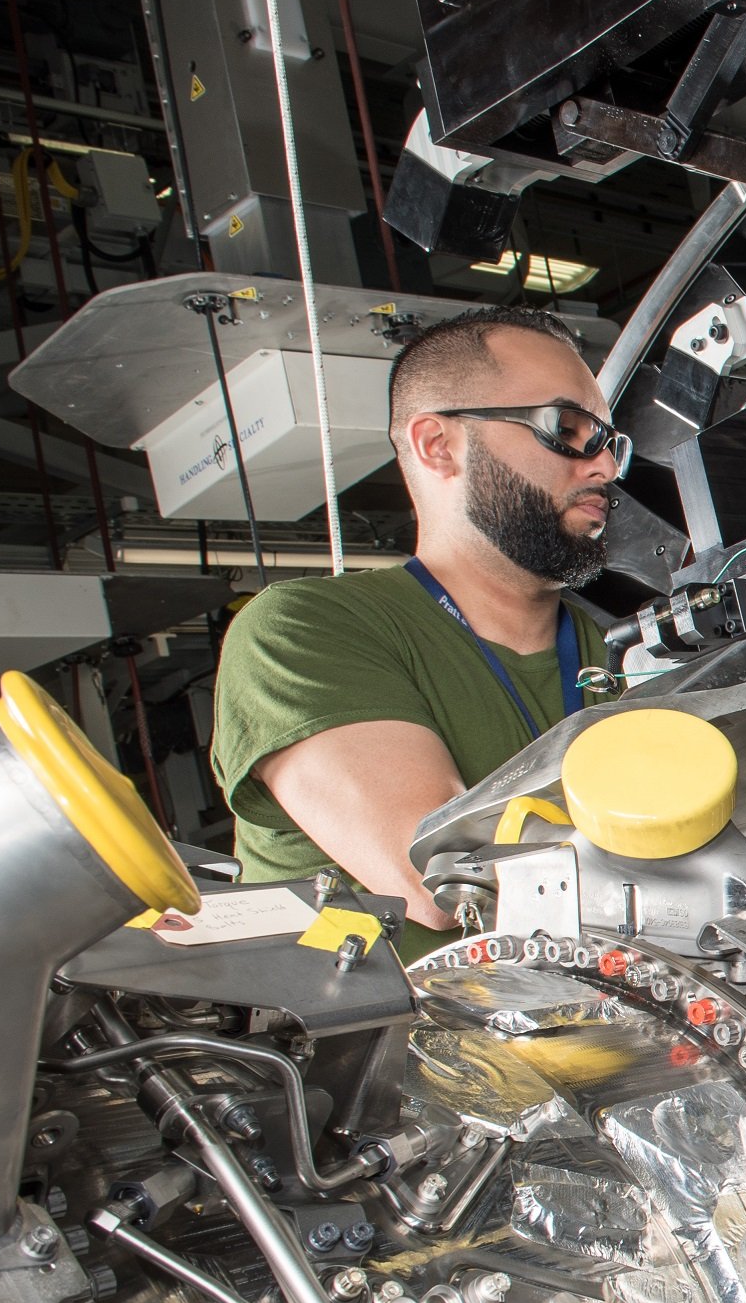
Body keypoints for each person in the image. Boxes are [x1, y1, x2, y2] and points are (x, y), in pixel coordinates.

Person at [210, 306, 630, 948]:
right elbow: (445, 882)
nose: (604, 468)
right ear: (439, 445)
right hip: (403, 1044)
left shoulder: (619, 652)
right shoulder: (304, 630)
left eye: (610, 443)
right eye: (567, 430)